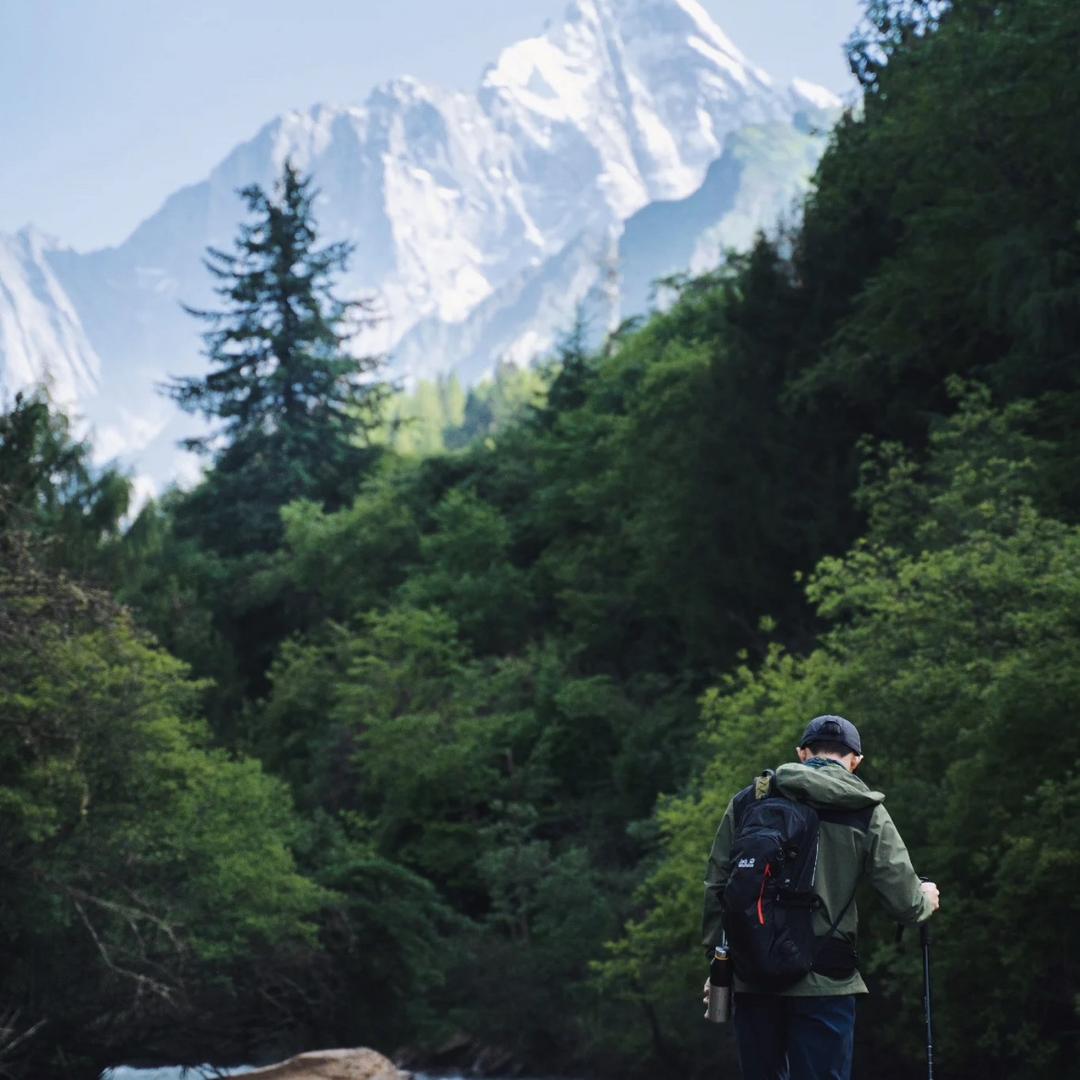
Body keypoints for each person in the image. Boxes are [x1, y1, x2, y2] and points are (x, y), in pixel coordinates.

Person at [701, 714, 940, 1080]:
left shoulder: (748, 801)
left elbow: (719, 887)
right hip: (827, 979)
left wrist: (718, 966)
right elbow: (905, 903)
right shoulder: (865, 809)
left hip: (754, 975)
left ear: (802, 753)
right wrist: (925, 898)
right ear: (855, 760)